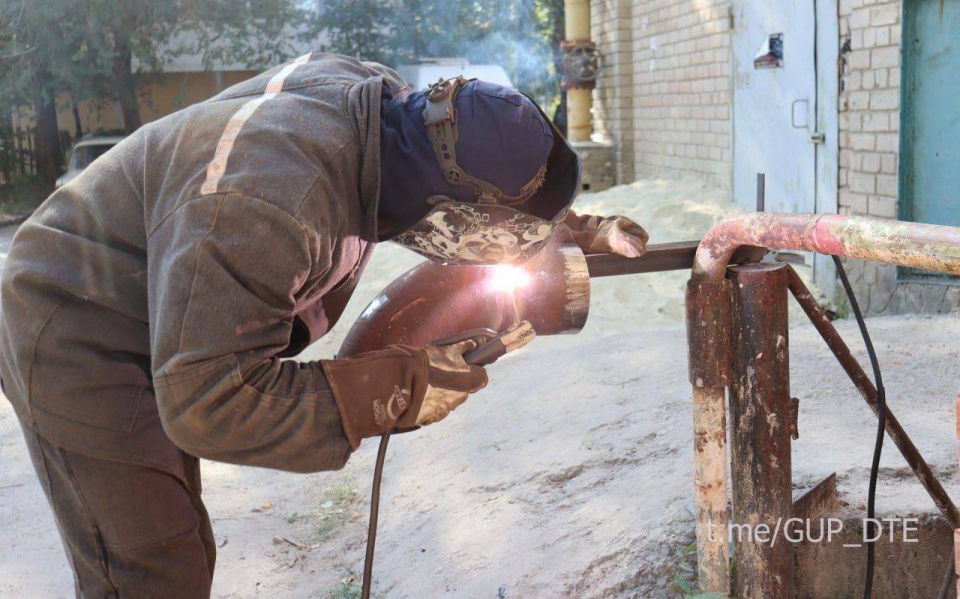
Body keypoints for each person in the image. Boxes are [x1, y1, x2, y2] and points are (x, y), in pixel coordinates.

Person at [0, 53, 647, 597]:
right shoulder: (268, 202)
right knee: (151, 564)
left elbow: (482, 171)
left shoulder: (389, 113)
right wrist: (389, 390)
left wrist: (567, 224)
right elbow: (204, 401)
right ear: (446, 213)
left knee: (182, 546)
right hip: (77, 320)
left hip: (172, 293)